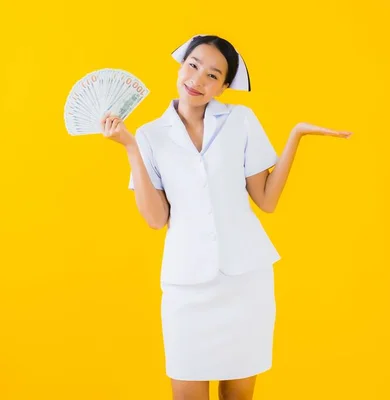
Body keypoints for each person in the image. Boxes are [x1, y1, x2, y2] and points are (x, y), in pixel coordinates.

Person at [100, 34, 352, 400]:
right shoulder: (149, 135)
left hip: (245, 281)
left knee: (238, 396)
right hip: (186, 284)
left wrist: (295, 136)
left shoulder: (241, 120)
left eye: (213, 75)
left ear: (224, 86)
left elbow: (266, 200)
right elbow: (156, 219)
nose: (198, 80)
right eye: (193, 66)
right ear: (181, 66)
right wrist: (130, 148)